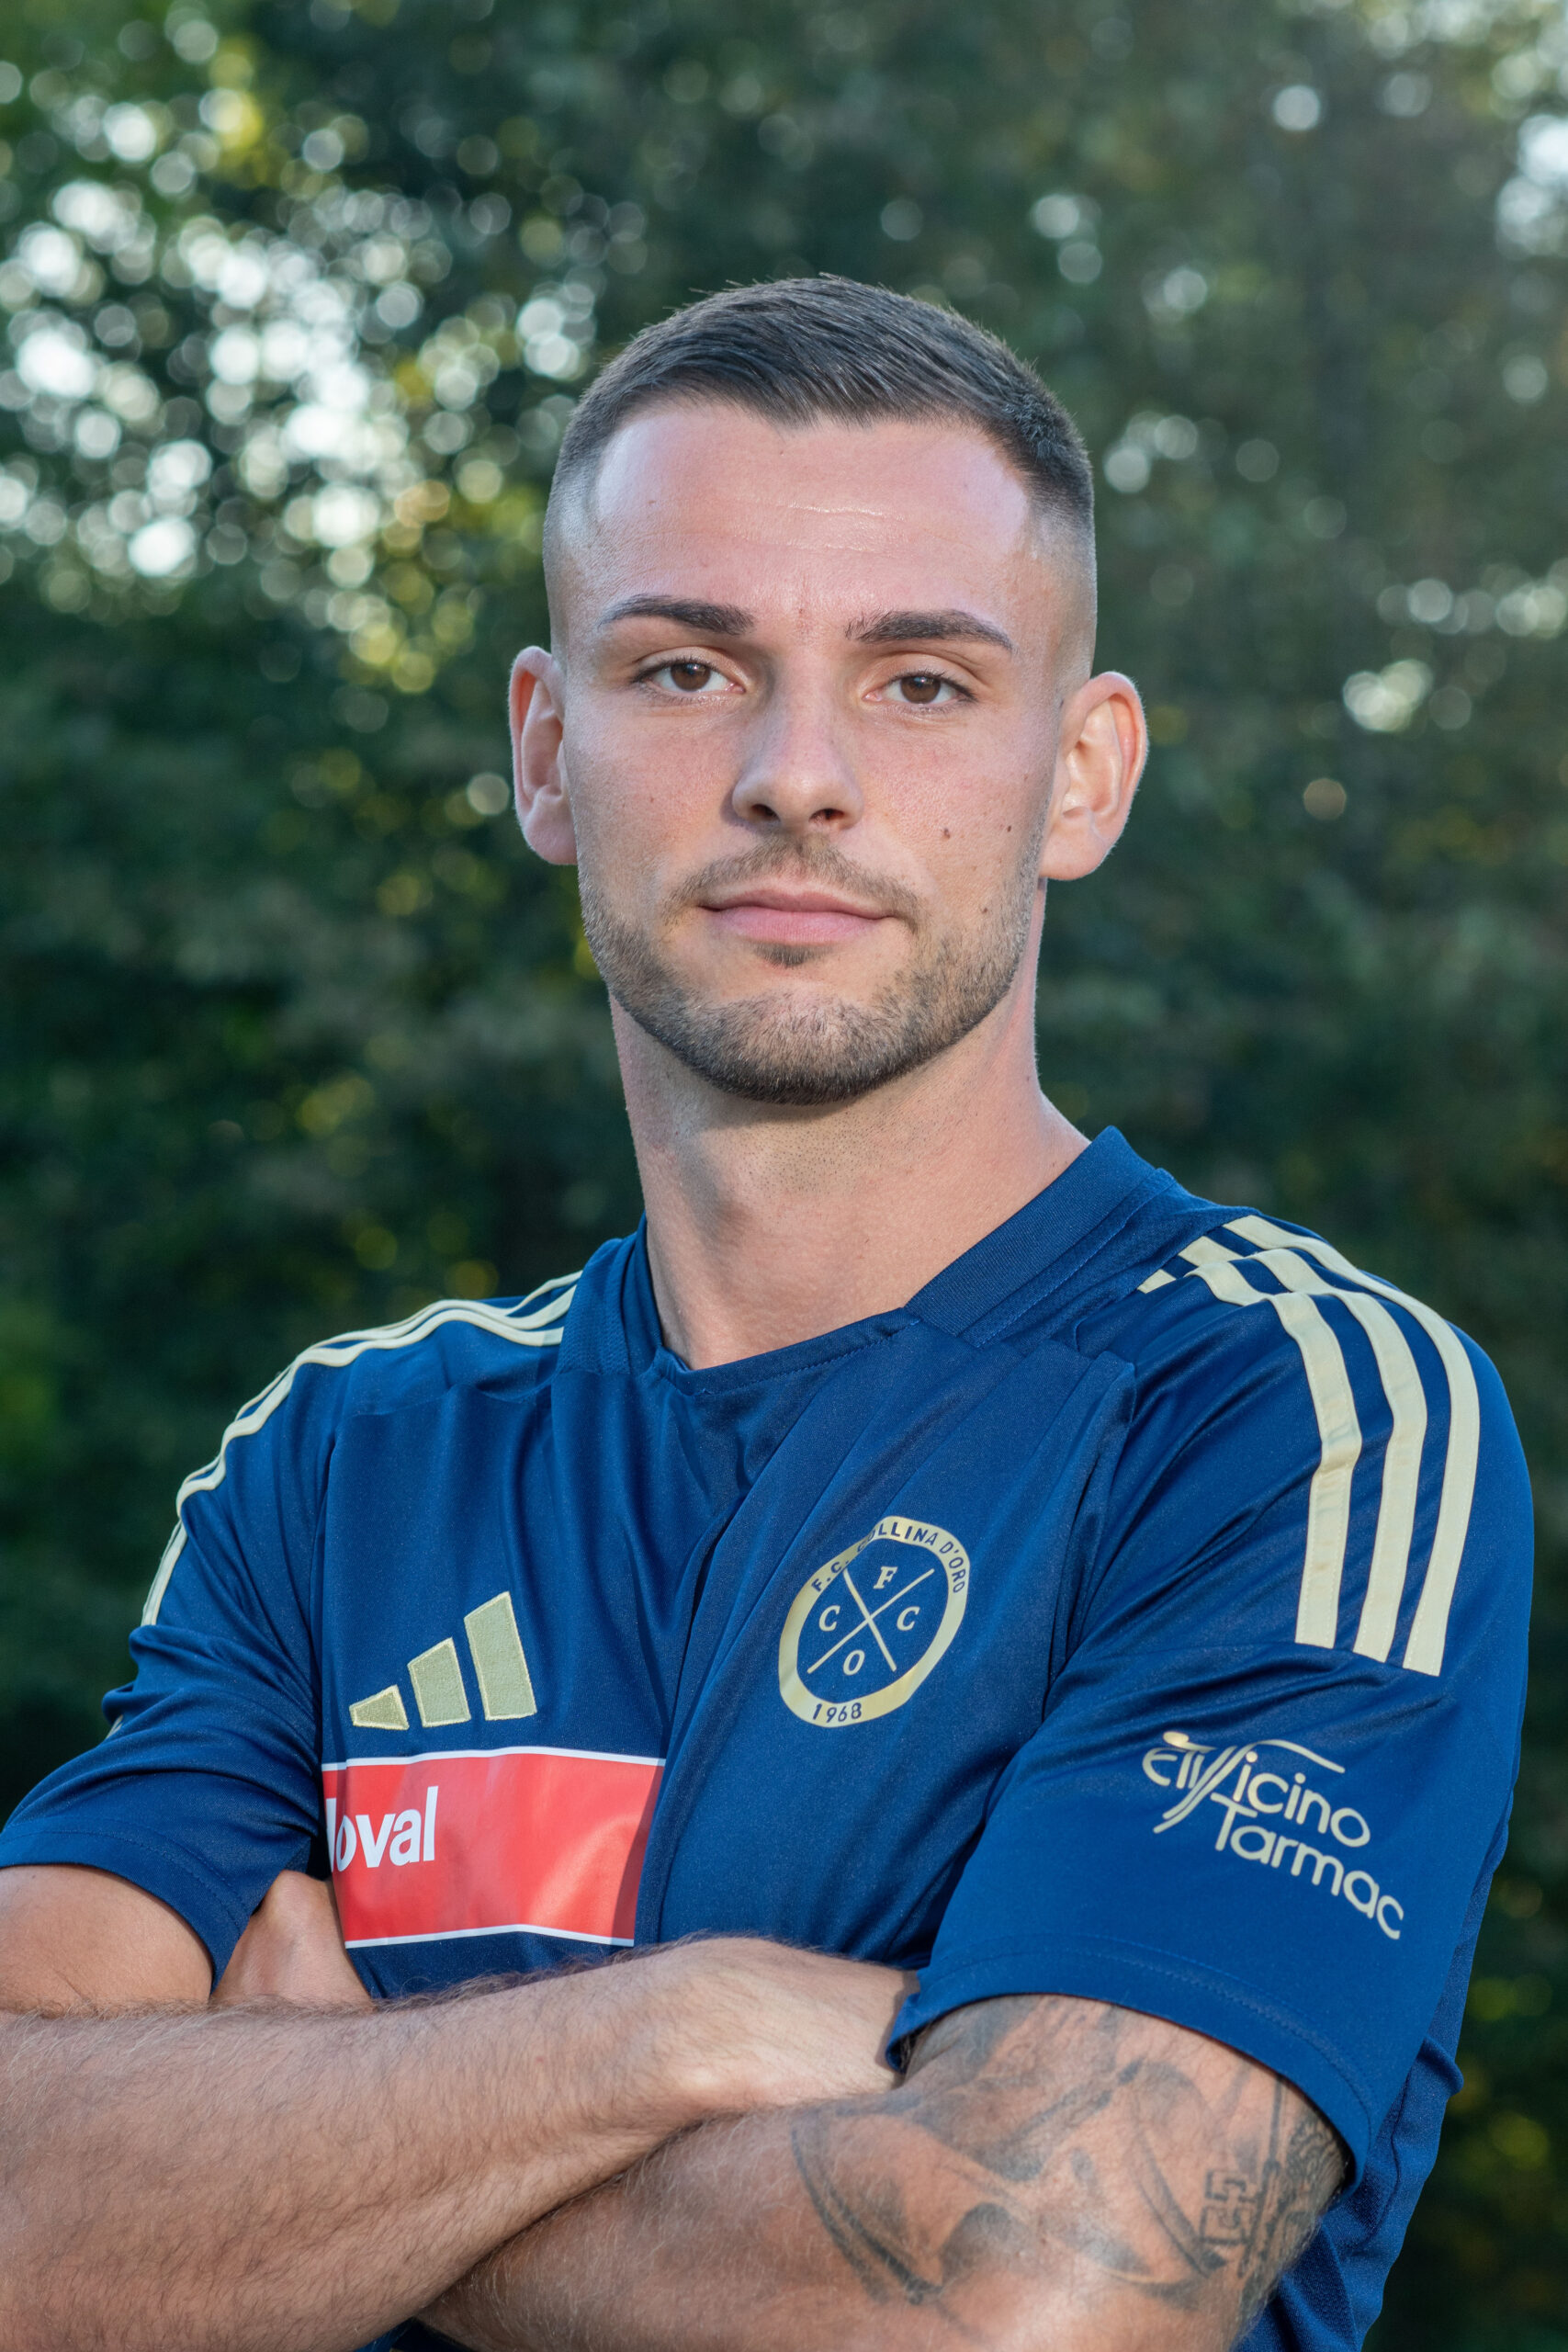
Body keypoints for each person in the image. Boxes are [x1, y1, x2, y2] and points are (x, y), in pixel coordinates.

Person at [0, 278, 1530, 2352]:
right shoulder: (349, 1458)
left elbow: (1021, 2296)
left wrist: (305, 2124)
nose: (797, 776)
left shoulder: (1284, 1410)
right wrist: (676, 2028)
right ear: (548, 751)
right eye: (687, 667)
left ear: (1082, 774)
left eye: (920, 682)